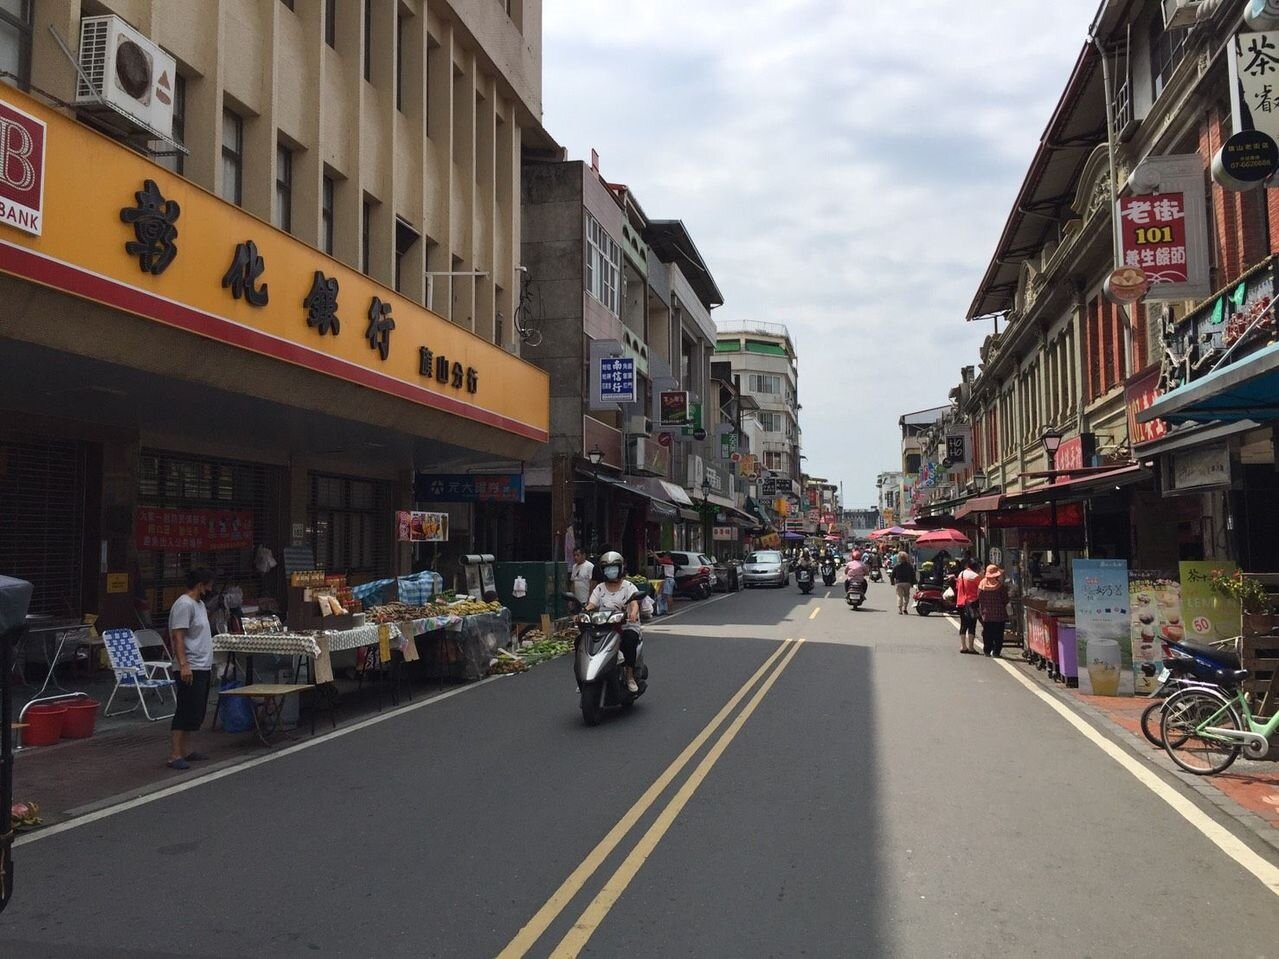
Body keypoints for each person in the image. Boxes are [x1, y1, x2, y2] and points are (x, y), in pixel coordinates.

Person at [167, 567, 216, 770]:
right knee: (185, 709)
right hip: (190, 665)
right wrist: (183, 664)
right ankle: (175, 754)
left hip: (202, 664)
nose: (210, 589)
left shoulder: (200, 605)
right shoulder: (184, 605)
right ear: (200, 585)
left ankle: (185, 750)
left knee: (196, 710)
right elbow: (178, 636)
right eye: (208, 585)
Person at [585, 551, 642, 692]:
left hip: (626, 625)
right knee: (582, 640)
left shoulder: (628, 586)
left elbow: (634, 603)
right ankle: (586, 675)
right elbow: (591, 605)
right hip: (604, 627)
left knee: (630, 640)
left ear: (620, 568)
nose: (611, 571)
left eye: (614, 568)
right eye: (607, 568)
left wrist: (633, 613)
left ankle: (629, 675)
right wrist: (583, 613)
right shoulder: (600, 588)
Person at [978, 564, 1011, 658]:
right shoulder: (1000, 586)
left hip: (986, 614)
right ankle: (996, 652)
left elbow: (979, 598)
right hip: (999, 614)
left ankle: (987, 650)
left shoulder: (982, 585)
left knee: (987, 633)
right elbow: (1005, 599)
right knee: (998, 634)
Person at [955, 559, 983, 654]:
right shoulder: (975, 576)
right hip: (972, 602)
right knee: (972, 625)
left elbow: (957, 587)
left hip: (961, 602)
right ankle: (971, 647)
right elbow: (981, 589)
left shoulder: (961, 574)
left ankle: (963, 646)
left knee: (963, 624)